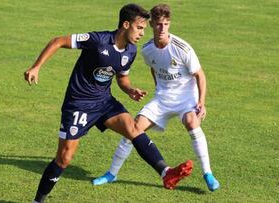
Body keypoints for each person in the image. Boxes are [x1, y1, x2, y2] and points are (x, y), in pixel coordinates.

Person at [24, 4, 193, 203]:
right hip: (79, 104)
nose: (141, 34)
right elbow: (58, 41)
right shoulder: (97, 40)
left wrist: (130, 89)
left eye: (144, 30)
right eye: (139, 28)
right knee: (64, 158)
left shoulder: (130, 51)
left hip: (104, 102)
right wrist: (36, 67)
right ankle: (38, 201)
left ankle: (166, 172)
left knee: (133, 128)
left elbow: (122, 79)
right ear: (126, 24)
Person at [92, 4, 220, 192]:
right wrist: (158, 87)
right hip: (162, 99)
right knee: (133, 128)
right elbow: (154, 66)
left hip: (186, 98)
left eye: (166, 24)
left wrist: (201, 102)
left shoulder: (182, 48)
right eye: (159, 24)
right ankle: (112, 173)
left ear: (169, 24)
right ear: (152, 24)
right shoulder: (146, 49)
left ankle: (208, 174)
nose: (162, 28)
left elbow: (200, 75)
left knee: (192, 123)